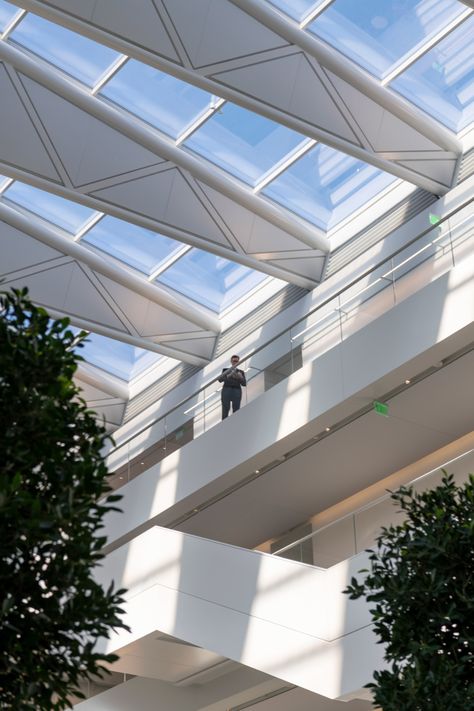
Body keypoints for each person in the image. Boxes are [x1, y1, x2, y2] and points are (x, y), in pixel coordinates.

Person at [218, 355, 246, 419]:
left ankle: (235, 424)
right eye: (234, 361)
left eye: (236, 361)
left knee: (236, 409)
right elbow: (220, 380)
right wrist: (229, 375)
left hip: (237, 390)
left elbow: (244, 384)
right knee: (225, 409)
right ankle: (224, 425)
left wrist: (240, 377)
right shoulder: (225, 370)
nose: (235, 362)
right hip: (227, 389)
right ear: (231, 361)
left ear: (238, 362)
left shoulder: (241, 372)